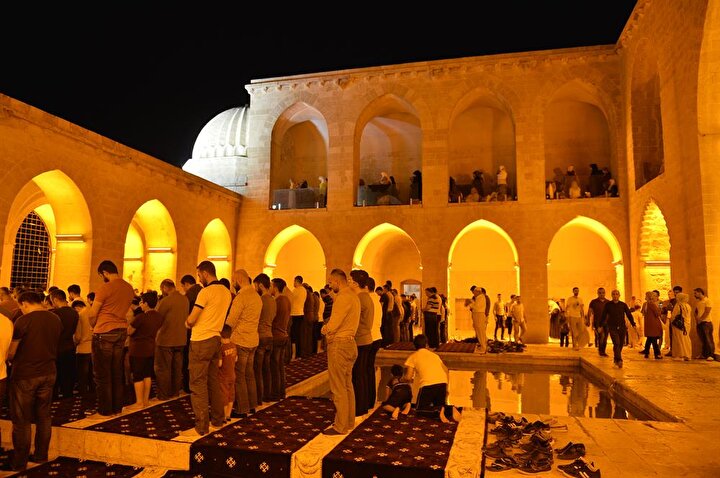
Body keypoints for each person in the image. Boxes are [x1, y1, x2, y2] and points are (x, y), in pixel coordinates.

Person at [8, 291, 62, 471]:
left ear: (24, 303)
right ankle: (41, 455)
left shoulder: (23, 321)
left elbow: (12, 352)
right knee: (44, 416)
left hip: (26, 374)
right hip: (49, 371)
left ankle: (19, 462)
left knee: (22, 419)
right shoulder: (55, 319)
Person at [181, 260, 231, 437]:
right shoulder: (226, 292)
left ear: (205, 273)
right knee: (213, 381)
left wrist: (187, 323)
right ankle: (217, 419)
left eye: (199, 275)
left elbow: (192, 318)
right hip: (216, 339)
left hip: (201, 340)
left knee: (197, 383)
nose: (199, 278)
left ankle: (201, 426)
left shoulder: (206, 292)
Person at [87, 260, 135, 418]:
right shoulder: (128, 288)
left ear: (105, 273)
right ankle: (117, 407)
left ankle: (105, 409)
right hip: (121, 330)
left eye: (101, 275)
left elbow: (93, 313)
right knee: (116, 371)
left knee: (102, 374)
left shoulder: (105, 288)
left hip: (104, 331)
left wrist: (93, 325)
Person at [321, 269, 360, 435]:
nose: (330, 286)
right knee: (347, 385)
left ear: (337, 281)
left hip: (340, 345)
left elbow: (334, 323)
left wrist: (325, 329)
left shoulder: (344, 297)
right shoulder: (353, 296)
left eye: (331, 282)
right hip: (350, 343)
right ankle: (348, 421)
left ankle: (340, 426)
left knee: (338, 387)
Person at [225, 269, 261, 417]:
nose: (232, 284)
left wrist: (223, 334)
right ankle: (252, 405)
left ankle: (242, 408)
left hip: (240, 340)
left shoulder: (241, 298)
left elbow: (231, 321)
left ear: (238, 280)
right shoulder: (256, 296)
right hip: (253, 339)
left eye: (233, 280)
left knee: (239, 375)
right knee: (249, 374)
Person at [402, 334, 461, 423]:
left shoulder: (413, 356)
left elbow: (408, 377)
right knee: (439, 405)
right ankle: (450, 409)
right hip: (442, 384)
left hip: (428, 385)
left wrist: (401, 380)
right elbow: (446, 370)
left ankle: (438, 411)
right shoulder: (435, 356)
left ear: (415, 346)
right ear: (426, 345)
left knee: (420, 410)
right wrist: (446, 388)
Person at [127, 291, 164, 410]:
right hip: (150, 348)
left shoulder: (141, 317)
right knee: (147, 374)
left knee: (138, 375)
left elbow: (129, 331)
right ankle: (145, 400)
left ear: (146, 303)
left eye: (142, 302)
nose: (140, 304)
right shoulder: (159, 316)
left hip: (138, 349)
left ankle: (139, 402)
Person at [155, 279, 189, 401]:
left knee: (164, 368)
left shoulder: (166, 301)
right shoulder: (185, 299)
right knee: (177, 368)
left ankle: (164, 394)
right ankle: (175, 392)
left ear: (165, 288)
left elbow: (157, 318)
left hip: (166, 339)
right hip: (181, 339)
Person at [350, 269, 374, 417]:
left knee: (358, 374)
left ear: (355, 283)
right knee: (362, 374)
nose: (348, 283)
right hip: (366, 338)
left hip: (360, 339)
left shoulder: (359, 298)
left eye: (350, 281)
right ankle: (363, 405)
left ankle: (359, 407)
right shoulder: (366, 297)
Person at [49, 289, 79, 399]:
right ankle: (68, 394)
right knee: (68, 373)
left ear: (55, 300)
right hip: (70, 345)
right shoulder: (74, 313)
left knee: (56, 373)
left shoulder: (54, 314)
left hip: (57, 347)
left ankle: (55, 395)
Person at [598, 290, 637, 368]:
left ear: (619, 295)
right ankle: (619, 360)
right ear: (611, 295)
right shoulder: (608, 305)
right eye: (613, 294)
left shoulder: (623, 305)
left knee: (620, 344)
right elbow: (603, 315)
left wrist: (633, 324)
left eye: (616, 294)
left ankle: (616, 359)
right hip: (612, 327)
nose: (615, 295)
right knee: (616, 343)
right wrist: (600, 326)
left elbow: (629, 314)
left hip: (622, 327)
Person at [253, 273, 275, 403]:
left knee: (258, 369)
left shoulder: (260, 300)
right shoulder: (273, 300)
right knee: (267, 368)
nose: (255, 289)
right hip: (270, 335)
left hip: (260, 336)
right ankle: (267, 394)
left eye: (256, 286)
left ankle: (258, 397)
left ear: (260, 285)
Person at [269, 278, 291, 401]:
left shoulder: (276, 301)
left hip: (276, 335)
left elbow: (272, 319)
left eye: (271, 286)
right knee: (280, 365)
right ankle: (281, 391)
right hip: (284, 335)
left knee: (275, 366)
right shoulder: (287, 300)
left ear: (275, 288)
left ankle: (275, 393)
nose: (270, 288)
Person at [218, 324, 237, 422]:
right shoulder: (233, 346)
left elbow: (220, 364)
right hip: (232, 374)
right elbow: (236, 359)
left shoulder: (221, 348)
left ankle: (223, 416)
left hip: (223, 376)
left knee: (224, 395)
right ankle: (228, 415)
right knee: (231, 395)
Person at [640, 290, 663, 359]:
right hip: (654, 323)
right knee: (654, 339)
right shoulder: (651, 304)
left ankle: (646, 352)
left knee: (649, 338)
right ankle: (657, 354)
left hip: (648, 323)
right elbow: (658, 313)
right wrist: (660, 310)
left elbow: (643, 312)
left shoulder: (659, 302)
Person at [693, 288, 715, 361]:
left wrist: (701, 319)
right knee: (703, 340)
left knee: (708, 339)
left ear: (700, 292)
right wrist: (697, 319)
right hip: (700, 323)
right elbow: (696, 312)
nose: (694, 295)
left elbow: (707, 311)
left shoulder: (707, 301)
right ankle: (704, 354)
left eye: (695, 293)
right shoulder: (699, 302)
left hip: (706, 323)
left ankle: (711, 355)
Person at [671, 292, 693, 361]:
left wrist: (671, 322)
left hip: (679, 325)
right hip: (687, 325)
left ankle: (680, 355)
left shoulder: (678, 305)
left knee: (679, 340)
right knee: (686, 340)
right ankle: (688, 354)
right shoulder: (688, 306)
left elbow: (674, 316)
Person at [588, 288, 609, 355]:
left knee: (605, 337)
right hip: (598, 322)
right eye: (600, 293)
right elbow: (589, 311)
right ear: (597, 293)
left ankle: (603, 350)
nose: (601, 294)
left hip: (607, 322)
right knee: (601, 336)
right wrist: (588, 320)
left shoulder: (608, 302)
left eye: (603, 292)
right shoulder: (593, 302)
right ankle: (601, 351)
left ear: (605, 293)